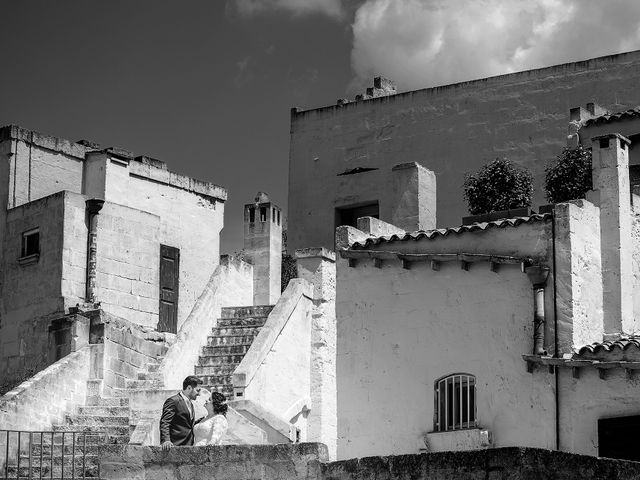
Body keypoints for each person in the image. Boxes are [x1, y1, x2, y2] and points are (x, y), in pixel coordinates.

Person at [160, 376, 204, 450]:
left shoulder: (191, 404)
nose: (199, 394)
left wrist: (203, 420)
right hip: (174, 446)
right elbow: (165, 422)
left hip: (189, 446)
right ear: (189, 388)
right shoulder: (173, 401)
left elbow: (187, 425)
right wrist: (166, 440)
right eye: (198, 390)